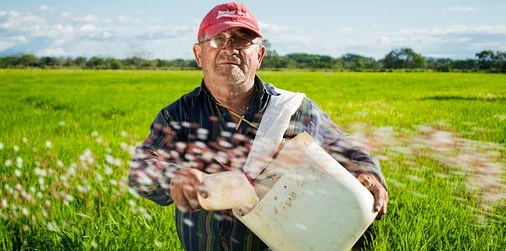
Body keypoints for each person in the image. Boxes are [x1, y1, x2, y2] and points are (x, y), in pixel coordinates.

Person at [128, 2, 388, 250]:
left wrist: (368, 172)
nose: (230, 48)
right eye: (218, 39)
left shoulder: (291, 109)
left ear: (259, 55)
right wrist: (172, 177)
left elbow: (342, 144)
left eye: (242, 40)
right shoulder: (179, 114)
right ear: (199, 54)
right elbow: (141, 169)